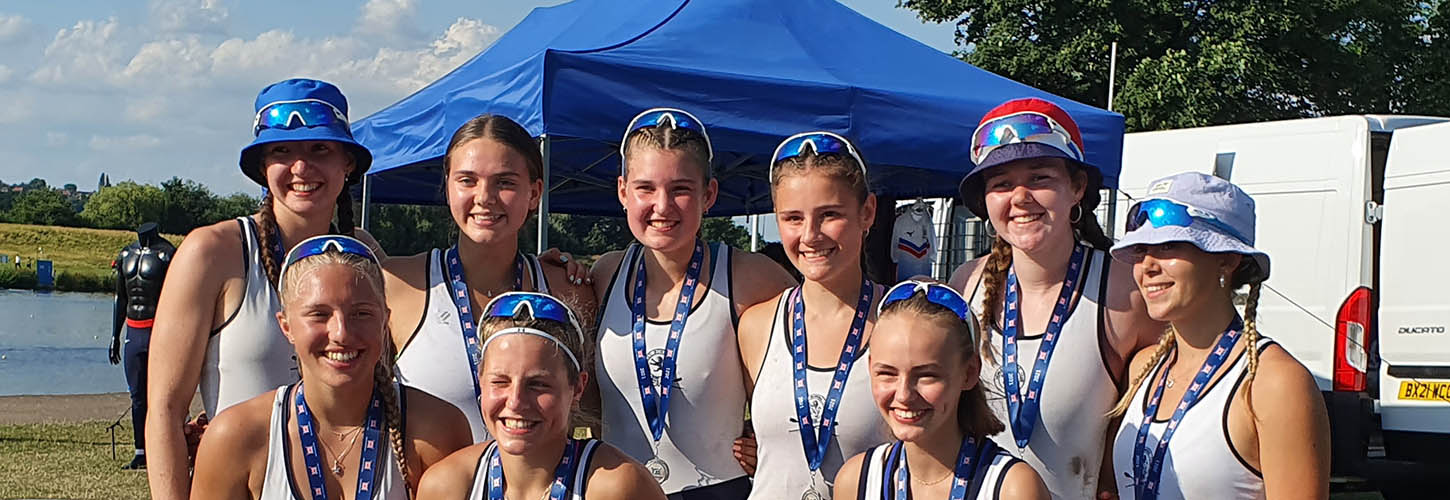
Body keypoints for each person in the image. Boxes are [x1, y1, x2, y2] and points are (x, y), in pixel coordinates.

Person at [147, 78, 383, 500]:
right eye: (282, 151)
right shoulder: (213, 251)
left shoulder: (364, 254)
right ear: (261, 167)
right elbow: (165, 409)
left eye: (319, 150)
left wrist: (542, 267)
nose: (301, 168)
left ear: (347, 163)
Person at [947, 98, 1162, 499]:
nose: (1021, 196)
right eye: (1001, 184)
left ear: (1077, 188)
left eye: (1041, 177)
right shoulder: (966, 284)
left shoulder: (1124, 290)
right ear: (984, 201)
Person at [589, 107, 796, 499]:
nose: (662, 206)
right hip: (616, 491)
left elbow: (814, 361)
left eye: (681, 189)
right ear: (622, 191)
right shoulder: (603, 275)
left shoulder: (751, 277)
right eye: (645, 188)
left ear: (709, 194)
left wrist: (774, 440)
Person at [191, 235, 472, 499]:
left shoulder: (437, 429)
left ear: (385, 321)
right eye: (319, 314)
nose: (341, 333)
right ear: (286, 326)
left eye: (361, 313)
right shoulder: (234, 438)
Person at [1107, 173, 1330, 499]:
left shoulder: (1274, 382)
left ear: (1226, 259)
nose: (1147, 266)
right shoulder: (1142, 369)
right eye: (1141, 249)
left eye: (1169, 245)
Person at [386, 114, 596, 444]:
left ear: (535, 193)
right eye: (467, 180)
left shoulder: (568, 290)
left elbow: (596, 417)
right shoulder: (397, 285)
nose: (485, 196)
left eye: (505, 182)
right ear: (448, 186)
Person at [736, 131, 891, 499]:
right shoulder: (756, 326)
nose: (810, 235)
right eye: (792, 218)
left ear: (867, 211)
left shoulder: (899, 322)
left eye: (830, 215)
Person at [417, 292, 667, 500]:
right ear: (481, 380)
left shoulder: (617, 487)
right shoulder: (447, 486)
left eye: (538, 385)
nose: (515, 402)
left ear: (577, 388)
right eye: (500, 381)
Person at [836, 281, 1049, 500]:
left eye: (926, 375)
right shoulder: (855, 481)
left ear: (969, 373)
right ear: (870, 367)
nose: (904, 395)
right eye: (887, 373)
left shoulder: (1013, 489)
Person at [110, 221, 176, 470]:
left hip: (158, 330)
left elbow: (176, 297)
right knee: (137, 395)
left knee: (161, 396)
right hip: (133, 332)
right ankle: (140, 451)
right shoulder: (126, 254)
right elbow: (120, 297)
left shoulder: (167, 254)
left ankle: (166, 447)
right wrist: (115, 335)